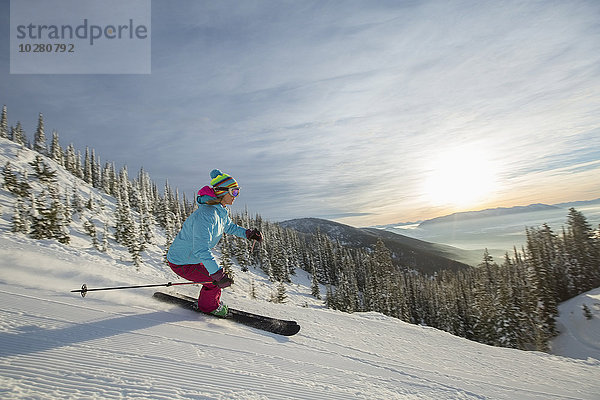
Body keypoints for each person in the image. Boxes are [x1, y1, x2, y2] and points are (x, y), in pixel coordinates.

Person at [166, 169, 262, 316]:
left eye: (238, 192)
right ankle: (209, 307)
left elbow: (228, 226)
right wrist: (217, 275)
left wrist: (247, 233)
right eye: (234, 192)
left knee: (214, 278)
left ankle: (208, 301)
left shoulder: (219, 211)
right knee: (213, 281)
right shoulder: (207, 215)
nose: (236, 196)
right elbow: (201, 249)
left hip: (191, 258)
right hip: (182, 261)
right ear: (221, 192)